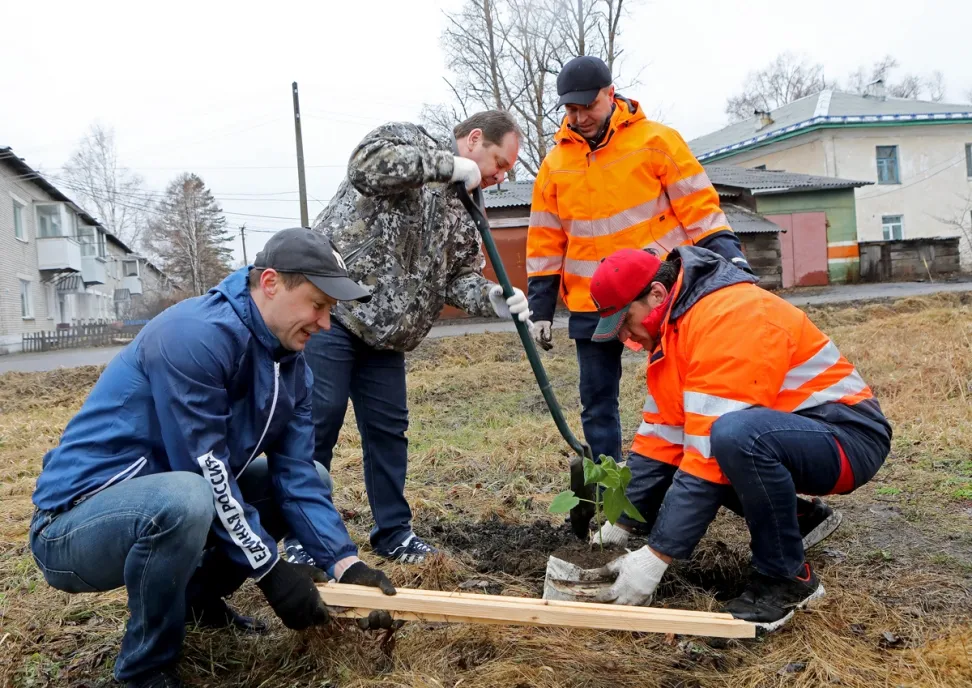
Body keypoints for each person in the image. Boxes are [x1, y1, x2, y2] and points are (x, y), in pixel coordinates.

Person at [29, 228, 398, 688]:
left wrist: (345, 566)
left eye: (331, 310)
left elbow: (297, 475)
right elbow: (204, 467)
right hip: (73, 525)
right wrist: (271, 571)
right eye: (318, 304)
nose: (325, 323)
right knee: (187, 496)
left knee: (315, 476)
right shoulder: (194, 336)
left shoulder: (292, 368)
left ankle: (198, 600)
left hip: (176, 499)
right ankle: (144, 668)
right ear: (270, 283)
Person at [578, 246, 892, 631]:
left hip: (847, 437)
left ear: (657, 294)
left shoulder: (728, 317)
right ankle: (800, 520)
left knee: (733, 438)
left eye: (625, 321)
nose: (626, 336)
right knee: (722, 439)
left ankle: (787, 580)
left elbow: (708, 457)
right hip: (792, 435)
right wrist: (621, 523)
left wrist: (656, 557)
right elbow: (661, 440)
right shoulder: (673, 334)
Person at [283, 110, 530, 566]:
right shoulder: (410, 142)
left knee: (388, 434)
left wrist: (491, 296)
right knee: (318, 421)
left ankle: (394, 533)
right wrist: (447, 166)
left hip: (389, 336)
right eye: (499, 162)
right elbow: (366, 166)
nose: (501, 176)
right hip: (335, 315)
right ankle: (303, 534)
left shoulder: (466, 208)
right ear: (474, 139)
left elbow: (458, 276)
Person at [526, 55, 752, 473]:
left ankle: (695, 476)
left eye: (588, 106)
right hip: (593, 303)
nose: (580, 118)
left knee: (682, 389)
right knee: (596, 399)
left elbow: (699, 208)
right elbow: (545, 238)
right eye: (571, 109)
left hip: (659, 295)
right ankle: (608, 483)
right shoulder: (554, 165)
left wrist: (732, 259)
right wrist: (540, 307)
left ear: (611, 94)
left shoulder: (657, 141)